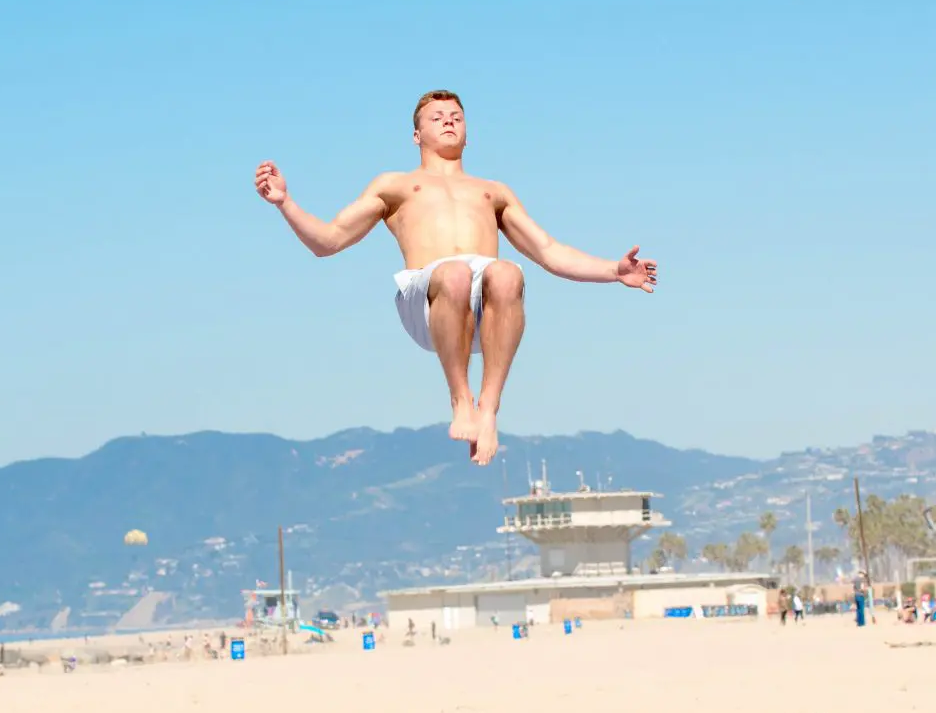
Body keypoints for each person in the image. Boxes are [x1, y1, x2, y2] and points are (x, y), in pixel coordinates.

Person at [256, 91, 659, 466]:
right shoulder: (395, 185)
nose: (448, 121)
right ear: (417, 134)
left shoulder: (492, 191)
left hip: (482, 305)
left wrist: (613, 270)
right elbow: (328, 241)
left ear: (468, 133)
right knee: (455, 271)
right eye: (436, 117)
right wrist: (285, 204)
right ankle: (460, 399)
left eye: (456, 117)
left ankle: (489, 408)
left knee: (505, 271)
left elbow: (548, 251)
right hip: (427, 298)